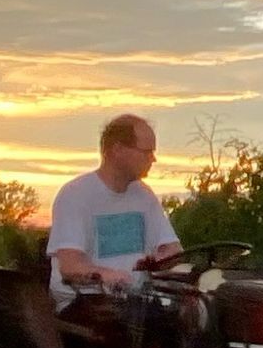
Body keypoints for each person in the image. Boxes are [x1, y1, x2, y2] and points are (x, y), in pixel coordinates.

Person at [47, 114, 180, 306]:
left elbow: (173, 249)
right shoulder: (75, 195)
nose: (153, 159)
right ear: (117, 150)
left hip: (138, 301)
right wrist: (108, 276)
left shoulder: (144, 195)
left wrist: (160, 260)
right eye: (146, 152)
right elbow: (70, 266)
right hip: (87, 303)